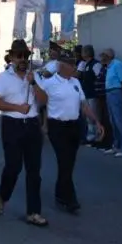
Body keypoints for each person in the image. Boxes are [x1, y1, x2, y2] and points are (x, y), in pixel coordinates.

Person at [33, 49, 104, 214]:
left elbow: (84, 105)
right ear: (61, 66)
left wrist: (96, 121)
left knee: (68, 164)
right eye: (71, 64)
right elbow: (40, 103)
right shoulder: (49, 83)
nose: (74, 68)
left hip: (74, 125)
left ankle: (60, 193)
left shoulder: (75, 82)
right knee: (64, 161)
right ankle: (70, 199)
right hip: (57, 127)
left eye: (74, 64)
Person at [0, 39, 48, 227]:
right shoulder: (3, 78)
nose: (22, 59)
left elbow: (44, 100)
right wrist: (16, 107)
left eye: (25, 56)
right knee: (13, 167)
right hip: (12, 125)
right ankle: (2, 195)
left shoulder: (34, 77)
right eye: (19, 56)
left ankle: (34, 212)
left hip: (31, 124)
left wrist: (33, 84)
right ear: (12, 58)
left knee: (34, 171)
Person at [99, 48, 122, 158]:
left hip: (116, 93)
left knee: (119, 121)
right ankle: (116, 145)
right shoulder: (108, 67)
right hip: (109, 93)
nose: (101, 57)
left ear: (108, 56)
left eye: (103, 55)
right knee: (113, 120)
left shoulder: (117, 65)